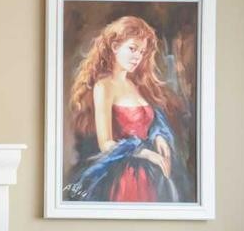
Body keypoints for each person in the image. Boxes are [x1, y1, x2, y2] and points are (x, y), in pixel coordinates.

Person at [64, 15, 187, 202]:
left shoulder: (137, 84)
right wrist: (144, 153)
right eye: (132, 48)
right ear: (114, 47)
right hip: (125, 174)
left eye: (142, 52)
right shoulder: (104, 87)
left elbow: (151, 120)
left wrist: (159, 135)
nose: (138, 56)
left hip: (154, 174)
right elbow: (105, 143)